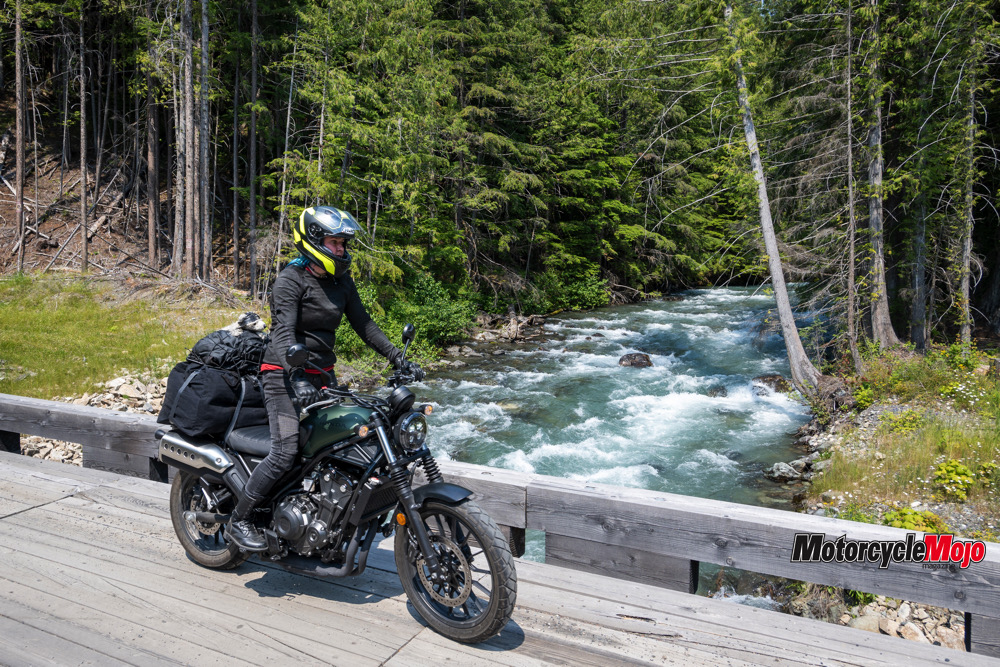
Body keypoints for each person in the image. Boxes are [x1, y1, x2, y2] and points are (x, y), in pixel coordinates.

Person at [226, 206, 423, 550]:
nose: (342, 249)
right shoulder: (291, 279)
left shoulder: (341, 282)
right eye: (336, 243)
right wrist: (297, 376)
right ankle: (239, 519)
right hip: (282, 375)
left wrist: (398, 357)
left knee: (342, 441)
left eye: (344, 244)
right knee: (286, 451)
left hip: (322, 376)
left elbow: (364, 325)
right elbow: (283, 333)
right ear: (314, 241)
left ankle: (322, 518)